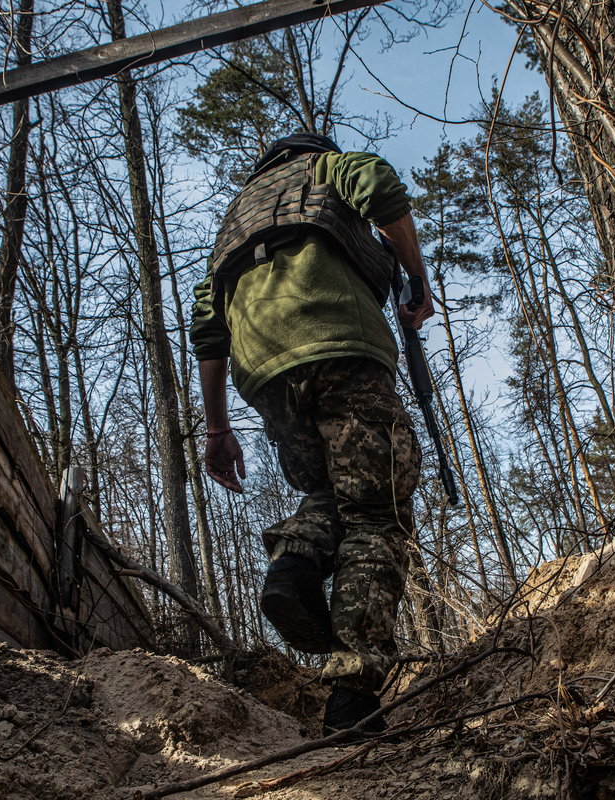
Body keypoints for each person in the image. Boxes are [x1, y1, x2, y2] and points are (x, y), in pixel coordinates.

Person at [189, 132, 433, 734]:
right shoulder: (328, 167)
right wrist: (418, 280)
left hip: (265, 375)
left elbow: (207, 330)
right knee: (378, 511)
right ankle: (353, 699)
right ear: (309, 150)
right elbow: (378, 183)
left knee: (330, 493)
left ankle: (294, 565)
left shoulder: (232, 220)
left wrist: (217, 427)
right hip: (342, 347)